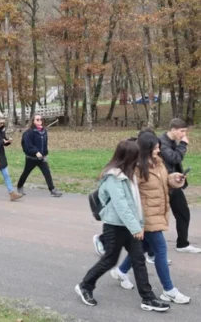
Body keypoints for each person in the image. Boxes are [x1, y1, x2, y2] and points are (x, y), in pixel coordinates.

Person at [74, 140, 170, 312]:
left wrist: (139, 223)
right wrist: (136, 228)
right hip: (114, 226)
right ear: (128, 157)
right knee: (109, 260)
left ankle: (148, 299)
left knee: (139, 260)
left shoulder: (130, 174)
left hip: (130, 225)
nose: (139, 160)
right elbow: (122, 206)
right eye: (136, 156)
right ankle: (85, 286)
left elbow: (135, 203)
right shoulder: (113, 177)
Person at [114, 132, 190, 305]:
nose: (159, 149)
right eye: (156, 147)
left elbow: (162, 182)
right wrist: (136, 222)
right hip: (147, 217)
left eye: (159, 147)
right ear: (147, 149)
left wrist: (174, 178)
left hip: (158, 212)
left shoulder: (158, 162)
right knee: (161, 250)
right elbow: (131, 196)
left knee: (142, 246)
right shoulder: (137, 168)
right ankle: (169, 290)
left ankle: (121, 271)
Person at [159, 119, 200, 254]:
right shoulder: (162, 143)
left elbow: (172, 164)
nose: (184, 134)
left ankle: (182, 244)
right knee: (152, 218)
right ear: (173, 130)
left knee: (183, 213)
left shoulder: (170, 142)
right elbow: (174, 158)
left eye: (185, 131)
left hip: (172, 183)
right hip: (160, 185)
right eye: (182, 131)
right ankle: (105, 240)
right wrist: (183, 145)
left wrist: (178, 175)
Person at [17, 114, 63, 197]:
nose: (39, 121)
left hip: (42, 158)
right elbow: (28, 145)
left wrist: (45, 153)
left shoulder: (44, 131)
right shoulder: (29, 132)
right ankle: (19, 186)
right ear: (33, 121)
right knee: (26, 172)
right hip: (31, 158)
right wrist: (35, 151)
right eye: (37, 119)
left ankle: (52, 189)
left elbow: (45, 144)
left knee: (47, 173)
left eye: (41, 119)